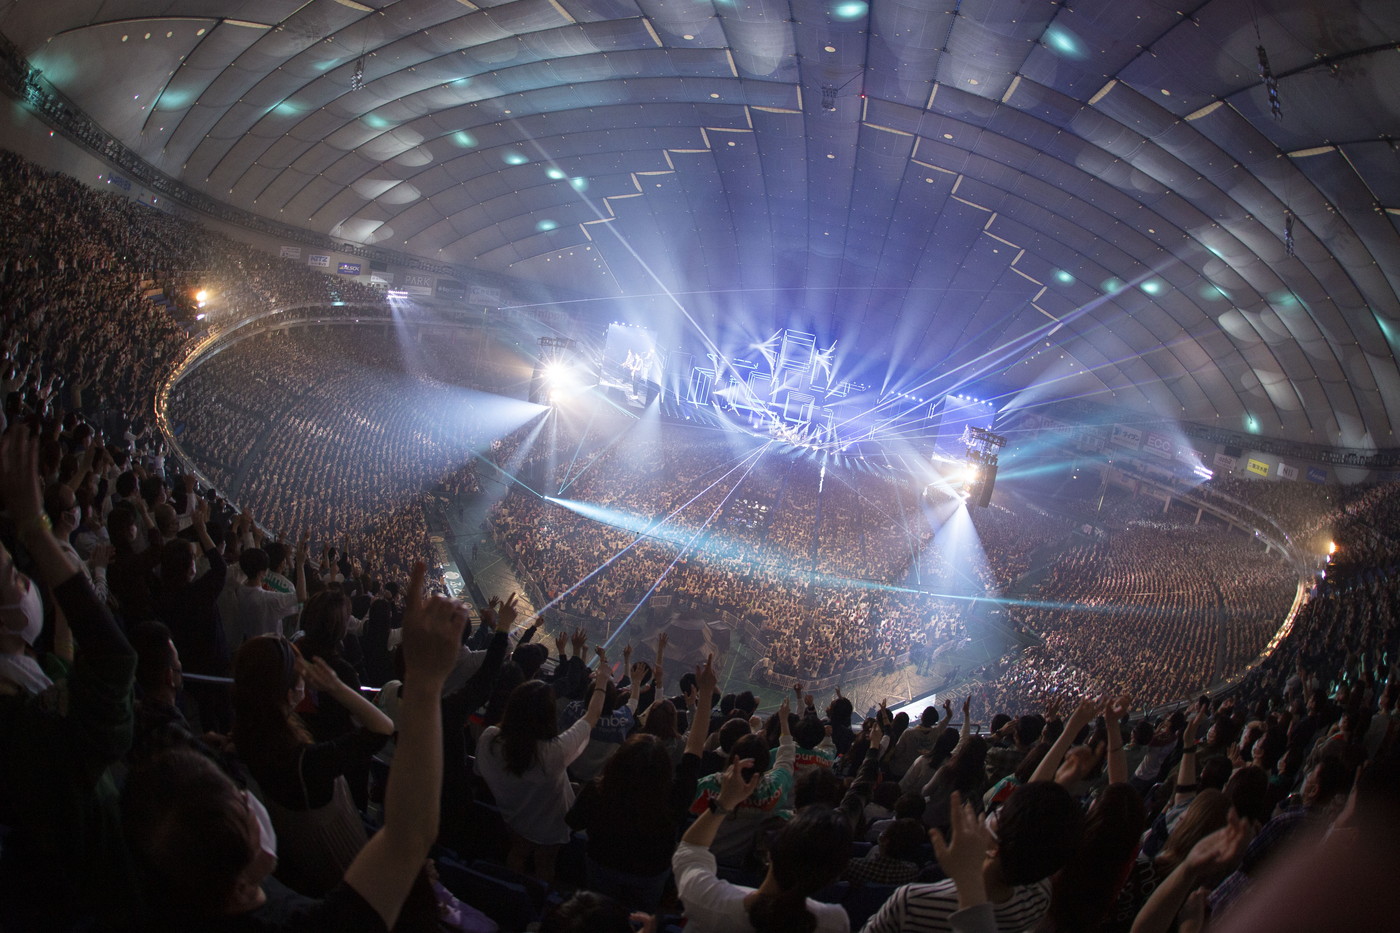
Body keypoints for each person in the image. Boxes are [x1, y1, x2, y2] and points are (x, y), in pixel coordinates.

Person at [123, 559, 470, 931]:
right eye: (237, 801)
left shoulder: (242, 747)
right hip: (341, 855)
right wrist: (424, 680)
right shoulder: (301, 766)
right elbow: (408, 833)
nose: (246, 796)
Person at [230, 633, 394, 896]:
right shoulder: (306, 763)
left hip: (309, 869)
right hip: (347, 872)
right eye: (300, 675)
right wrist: (334, 686)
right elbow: (382, 728)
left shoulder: (244, 738)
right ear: (290, 693)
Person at [860, 781, 1083, 933]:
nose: (993, 813)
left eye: (999, 814)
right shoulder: (1039, 896)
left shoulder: (911, 901)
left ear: (994, 846)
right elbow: (1033, 830)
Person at [672, 758, 853, 933]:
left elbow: (690, 849)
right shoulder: (835, 922)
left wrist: (724, 802)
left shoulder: (710, 901)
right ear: (832, 876)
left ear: (770, 851)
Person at [475, 663, 610, 882]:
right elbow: (592, 715)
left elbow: (482, 772)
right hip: (551, 826)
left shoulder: (490, 737)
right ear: (549, 715)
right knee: (545, 863)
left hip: (514, 815)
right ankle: (536, 895)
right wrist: (602, 681)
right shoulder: (554, 751)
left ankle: (510, 889)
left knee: (517, 852)